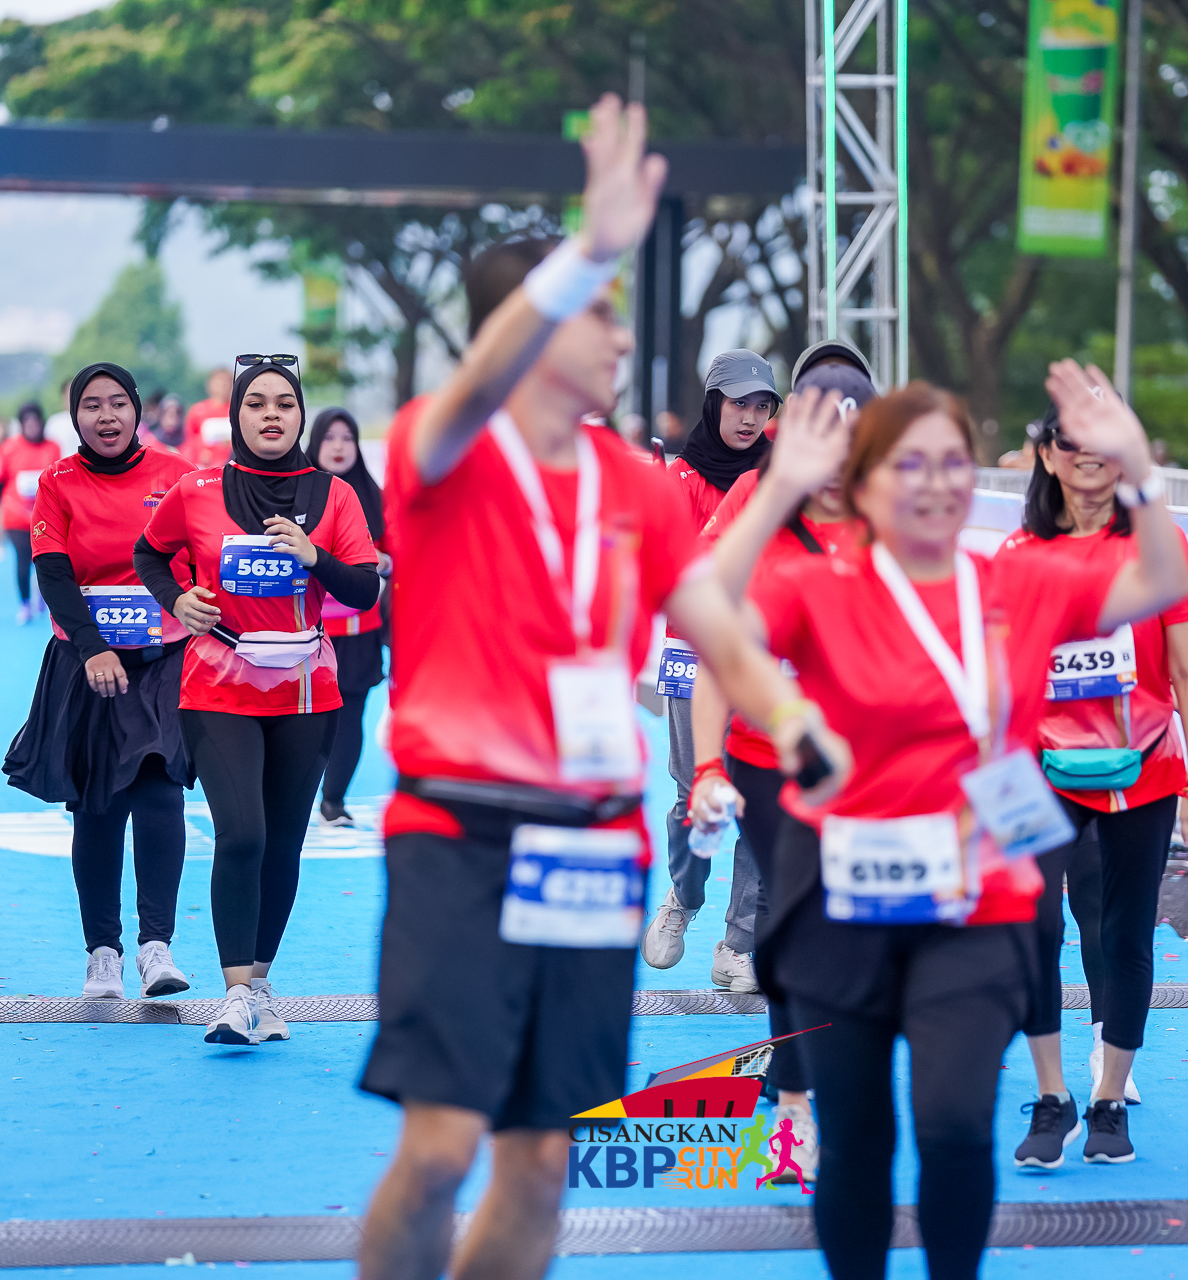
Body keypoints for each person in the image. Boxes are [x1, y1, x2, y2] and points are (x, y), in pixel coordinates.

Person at [354, 95, 845, 1280]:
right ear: (529, 324)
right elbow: (473, 386)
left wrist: (790, 719)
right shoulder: (439, 447)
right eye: (598, 315)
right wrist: (592, 243)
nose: (622, 340)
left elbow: (714, 622)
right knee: (440, 1145)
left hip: (594, 841)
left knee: (539, 1161)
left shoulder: (635, 481)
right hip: (460, 830)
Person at [729, 367, 1188, 1280]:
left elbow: (1164, 580)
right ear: (865, 483)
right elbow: (704, 609)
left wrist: (1138, 466)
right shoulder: (821, 585)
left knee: (951, 1125)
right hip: (842, 906)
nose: (934, 482)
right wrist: (779, 489)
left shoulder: (1018, 580)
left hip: (975, 909)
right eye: (908, 464)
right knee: (858, 1137)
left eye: (950, 463)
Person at [135, 355, 382, 1047]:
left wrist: (314, 557)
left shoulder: (334, 496)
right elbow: (149, 554)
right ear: (235, 414)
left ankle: (262, 985)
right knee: (242, 833)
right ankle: (236, 994)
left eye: (284, 403)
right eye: (256, 403)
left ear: (300, 415)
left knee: (282, 843)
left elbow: (365, 589)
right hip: (218, 682)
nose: (271, 414)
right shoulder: (197, 489)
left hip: (306, 686)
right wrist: (177, 599)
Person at [1001, 402, 1188, 1169]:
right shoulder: (1020, 554)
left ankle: (1109, 1100)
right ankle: (1051, 1095)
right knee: (1031, 927)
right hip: (1040, 770)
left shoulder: (1160, 546)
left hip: (1144, 767)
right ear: (1047, 455)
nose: (1088, 456)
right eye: (1071, 442)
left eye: (1104, 443)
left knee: (1124, 934)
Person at [688, 358, 875, 1186]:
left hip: (868, 769)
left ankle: (822, 1076)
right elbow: (709, 628)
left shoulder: (892, 519)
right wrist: (706, 766)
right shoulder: (756, 503)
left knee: (848, 931)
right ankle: (796, 1105)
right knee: (792, 922)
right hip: (768, 761)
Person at [3, 364, 196, 1000]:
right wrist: (92, 649)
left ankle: (156, 946)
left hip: (161, 660)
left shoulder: (176, 475)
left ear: (137, 410)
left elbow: (200, 558)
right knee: (98, 804)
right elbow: (53, 573)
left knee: (162, 792)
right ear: (75, 416)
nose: (106, 416)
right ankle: (103, 954)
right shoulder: (56, 481)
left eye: (118, 403)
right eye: (92, 405)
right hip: (86, 662)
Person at [644, 350, 782, 991]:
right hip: (693, 655)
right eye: (739, 404)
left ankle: (738, 944)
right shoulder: (677, 479)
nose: (750, 418)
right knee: (691, 793)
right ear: (713, 403)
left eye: (762, 407)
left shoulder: (783, 477)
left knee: (759, 797)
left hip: (764, 657)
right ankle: (684, 896)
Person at [309, 407, 390, 828]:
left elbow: (398, 553)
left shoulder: (377, 498)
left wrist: (383, 561)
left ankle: (333, 801)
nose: (339, 447)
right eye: (329, 437)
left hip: (359, 631)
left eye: (347, 438)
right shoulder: (296, 492)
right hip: (304, 631)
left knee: (351, 716)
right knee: (304, 720)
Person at [0, 403, 64, 624]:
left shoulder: (53, 448)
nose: (32, 427)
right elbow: (0, 481)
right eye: (27, 423)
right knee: (23, 558)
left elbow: (60, 481)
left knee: (44, 560)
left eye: (35, 423)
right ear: (21, 425)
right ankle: (24, 604)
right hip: (16, 514)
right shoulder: (10, 448)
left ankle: (42, 592)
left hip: (45, 515)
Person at [183, 369, 235, 470]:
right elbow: (189, 439)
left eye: (227, 381)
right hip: (204, 466)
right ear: (210, 384)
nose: (223, 385)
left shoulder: (237, 410)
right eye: (219, 381)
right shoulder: (198, 410)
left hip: (231, 466)